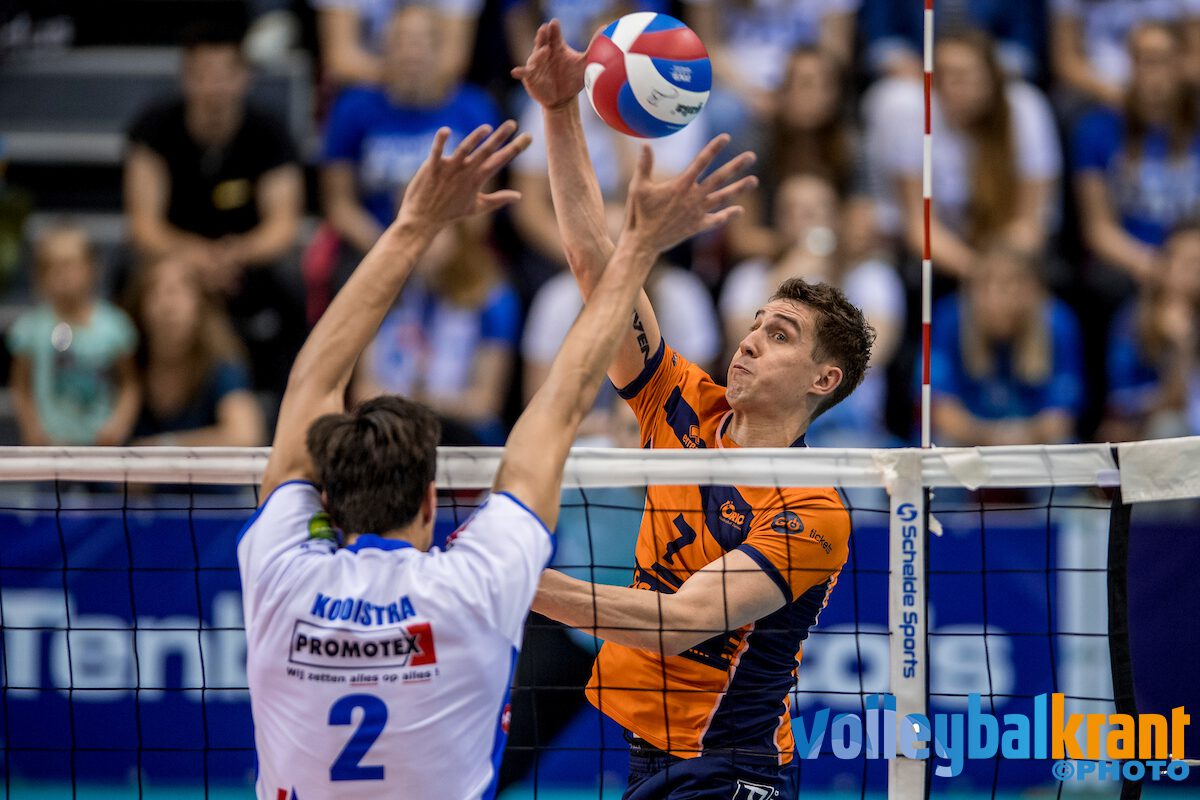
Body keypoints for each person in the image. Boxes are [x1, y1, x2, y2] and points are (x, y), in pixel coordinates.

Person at [237, 116, 755, 799]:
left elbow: (311, 382)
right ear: (431, 501)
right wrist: (637, 250)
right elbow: (562, 401)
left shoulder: (280, 570)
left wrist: (411, 226)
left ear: (327, 499)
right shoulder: (474, 583)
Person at [514, 22, 873, 797]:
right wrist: (561, 111)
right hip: (648, 753)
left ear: (823, 379)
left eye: (779, 335)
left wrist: (511, 575)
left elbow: (679, 622)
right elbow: (596, 269)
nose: (750, 341)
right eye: (756, 324)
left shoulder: (814, 509)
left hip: (732, 767)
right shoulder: (682, 403)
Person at [124, 22, 305, 396]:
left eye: (224, 75)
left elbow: (283, 226)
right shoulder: (154, 128)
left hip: (244, 265)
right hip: (173, 261)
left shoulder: (269, 132)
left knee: (291, 294)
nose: (214, 87)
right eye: (202, 75)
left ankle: (283, 405)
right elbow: (143, 224)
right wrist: (194, 257)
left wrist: (236, 254)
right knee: (129, 279)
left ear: (243, 78)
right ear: (186, 78)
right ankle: (134, 397)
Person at [720, 174, 904, 447]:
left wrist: (831, 278)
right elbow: (744, 340)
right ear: (779, 220)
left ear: (837, 218)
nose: (807, 222)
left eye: (817, 210)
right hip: (764, 417)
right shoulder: (749, 276)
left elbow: (873, 353)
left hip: (850, 423)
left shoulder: (871, 275)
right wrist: (788, 273)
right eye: (795, 211)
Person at [866, 29, 1061, 281]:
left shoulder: (1025, 109)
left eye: (962, 76)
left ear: (991, 79)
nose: (950, 86)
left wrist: (1001, 271)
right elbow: (919, 227)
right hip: (946, 260)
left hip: (1010, 257)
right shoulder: (912, 114)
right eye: (942, 75)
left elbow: (1030, 223)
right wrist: (979, 274)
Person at [351, 222, 520, 445]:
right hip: (390, 428)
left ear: (461, 233)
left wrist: (422, 402)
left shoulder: (493, 299)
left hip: (458, 430)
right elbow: (363, 391)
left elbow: (485, 402)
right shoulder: (381, 293)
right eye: (411, 231)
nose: (422, 243)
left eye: (436, 232)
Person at [1073, 22, 1200, 289]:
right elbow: (1098, 229)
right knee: (1106, 281)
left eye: (1163, 60)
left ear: (1182, 64)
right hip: (1133, 261)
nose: (1155, 73)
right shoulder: (1096, 129)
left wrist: (1189, 264)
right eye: (1144, 61)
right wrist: (1152, 265)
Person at [929, 244, 1084, 446]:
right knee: (941, 443)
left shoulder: (1057, 322)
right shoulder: (949, 318)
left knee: (1063, 445)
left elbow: (1060, 421)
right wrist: (994, 438)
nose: (997, 298)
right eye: (986, 285)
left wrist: (1010, 441)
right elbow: (942, 414)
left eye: (1012, 284)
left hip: (1034, 446)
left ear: (1035, 289)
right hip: (968, 446)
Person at [8, 224, 139, 446]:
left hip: (100, 445)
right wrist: (31, 428)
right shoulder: (29, 328)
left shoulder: (114, 326)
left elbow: (129, 383)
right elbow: (20, 385)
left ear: (92, 267)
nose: (62, 274)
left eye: (70, 264)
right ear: (39, 275)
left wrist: (118, 425)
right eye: (51, 266)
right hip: (49, 446)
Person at [125, 255, 264, 447]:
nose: (168, 305)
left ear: (201, 303)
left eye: (178, 291)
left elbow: (245, 435)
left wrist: (163, 446)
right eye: (155, 291)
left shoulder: (221, 367)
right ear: (140, 305)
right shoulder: (124, 364)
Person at [1103, 223, 1200, 442]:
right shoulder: (1132, 322)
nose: (1196, 273)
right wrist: (1181, 347)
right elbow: (1124, 403)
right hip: (1151, 433)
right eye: (1188, 263)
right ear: (1164, 267)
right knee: (1167, 426)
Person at [1051, 0, 1200, 110]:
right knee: (1067, 105)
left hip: (1171, 83)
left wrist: (1163, 84)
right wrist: (1120, 97)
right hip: (1100, 90)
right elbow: (1066, 61)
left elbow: (1196, 58)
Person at [312, 0, 483, 89]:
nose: (412, 53)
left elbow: (453, 60)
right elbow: (340, 59)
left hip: (436, 92)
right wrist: (403, 77)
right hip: (365, 88)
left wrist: (411, 80)